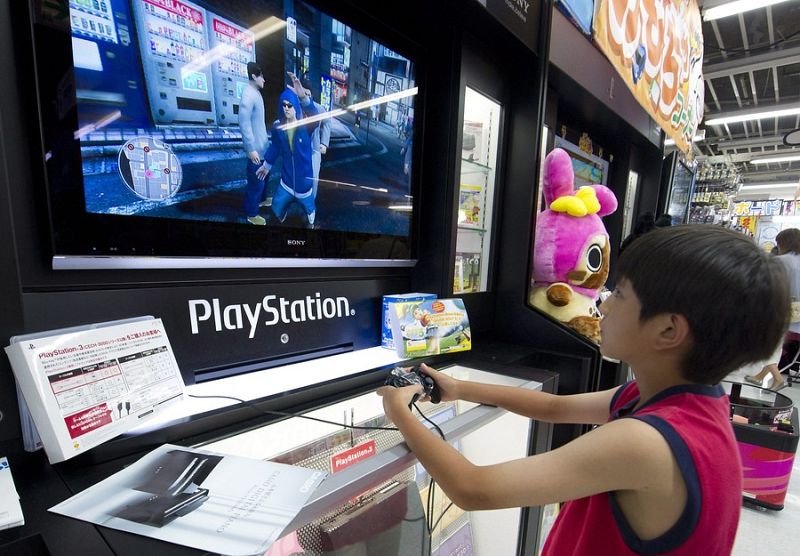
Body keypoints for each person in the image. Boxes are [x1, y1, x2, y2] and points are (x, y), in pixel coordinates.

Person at [378, 225, 790, 555]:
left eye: (620, 296)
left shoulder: (643, 441)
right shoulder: (686, 397)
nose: (603, 307)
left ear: (668, 329)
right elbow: (554, 407)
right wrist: (459, 387)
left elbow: (473, 489)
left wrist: (400, 413)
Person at [256, 72, 320, 228]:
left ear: (295, 106)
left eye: (289, 105)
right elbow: (275, 146)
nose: (286, 108)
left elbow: (316, 118)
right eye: (283, 105)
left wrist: (304, 98)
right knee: (277, 207)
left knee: (309, 208)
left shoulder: (306, 125)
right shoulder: (279, 126)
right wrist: (267, 165)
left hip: (304, 182)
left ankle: (311, 221)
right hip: (286, 181)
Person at [744, 228, 800, 390]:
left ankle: (777, 377)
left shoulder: (781, 261)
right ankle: (760, 376)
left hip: (778, 307)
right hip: (796, 313)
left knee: (763, 340)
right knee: (776, 342)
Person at [239, 62, 270, 225]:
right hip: (255, 149)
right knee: (256, 183)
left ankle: (263, 200)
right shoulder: (248, 94)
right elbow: (244, 122)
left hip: (262, 146)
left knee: (264, 176)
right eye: (262, 76)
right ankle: (251, 213)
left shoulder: (255, 93)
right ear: (254, 76)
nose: (264, 80)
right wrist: (250, 148)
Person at [298, 75, 331, 200]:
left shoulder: (317, 108)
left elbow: (328, 121)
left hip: (314, 150)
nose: (306, 97)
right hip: (297, 150)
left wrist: (324, 143)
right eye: (303, 94)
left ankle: (310, 207)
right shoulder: (294, 107)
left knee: (313, 180)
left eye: (308, 95)